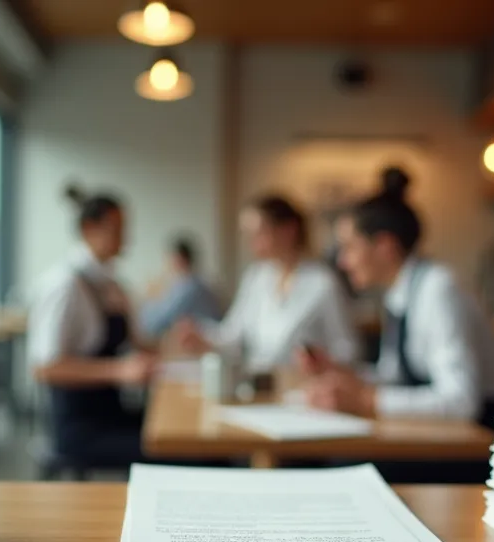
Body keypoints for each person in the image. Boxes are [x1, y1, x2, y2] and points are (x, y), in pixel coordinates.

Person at [296, 174, 494, 426]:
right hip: (439, 434)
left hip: (478, 438)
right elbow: (394, 376)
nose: (342, 261)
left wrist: (367, 401)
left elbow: (461, 401)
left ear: (385, 246)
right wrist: (339, 371)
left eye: (349, 247)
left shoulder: (438, 290)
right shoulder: (401, 293)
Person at [29, 185, 155, 468]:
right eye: (117, 229)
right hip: (80, 430)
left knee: (173, 430)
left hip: (113, 413)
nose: (125, 238)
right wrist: (119, 370)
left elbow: (139, 343)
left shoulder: (112, 285)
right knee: (182, 453)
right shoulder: (63, 285)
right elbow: (44, 367)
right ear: (89, 229)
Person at [174, 194, 358, 373]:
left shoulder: (323, 283)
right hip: (258, 387)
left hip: (303, 388)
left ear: (288, 230)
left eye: (259, 233)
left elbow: (348, 350)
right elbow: (232, 335)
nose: (252, 243)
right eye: (248, 235)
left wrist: (323, 362)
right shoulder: (256, 277)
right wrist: (202, 339)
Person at [139, 237, 222, 339]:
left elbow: (156, 324)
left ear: (179, 259)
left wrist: (150, 297)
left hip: (208, 341)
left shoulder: (189, 287)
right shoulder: (192, 283)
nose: (167, 264)